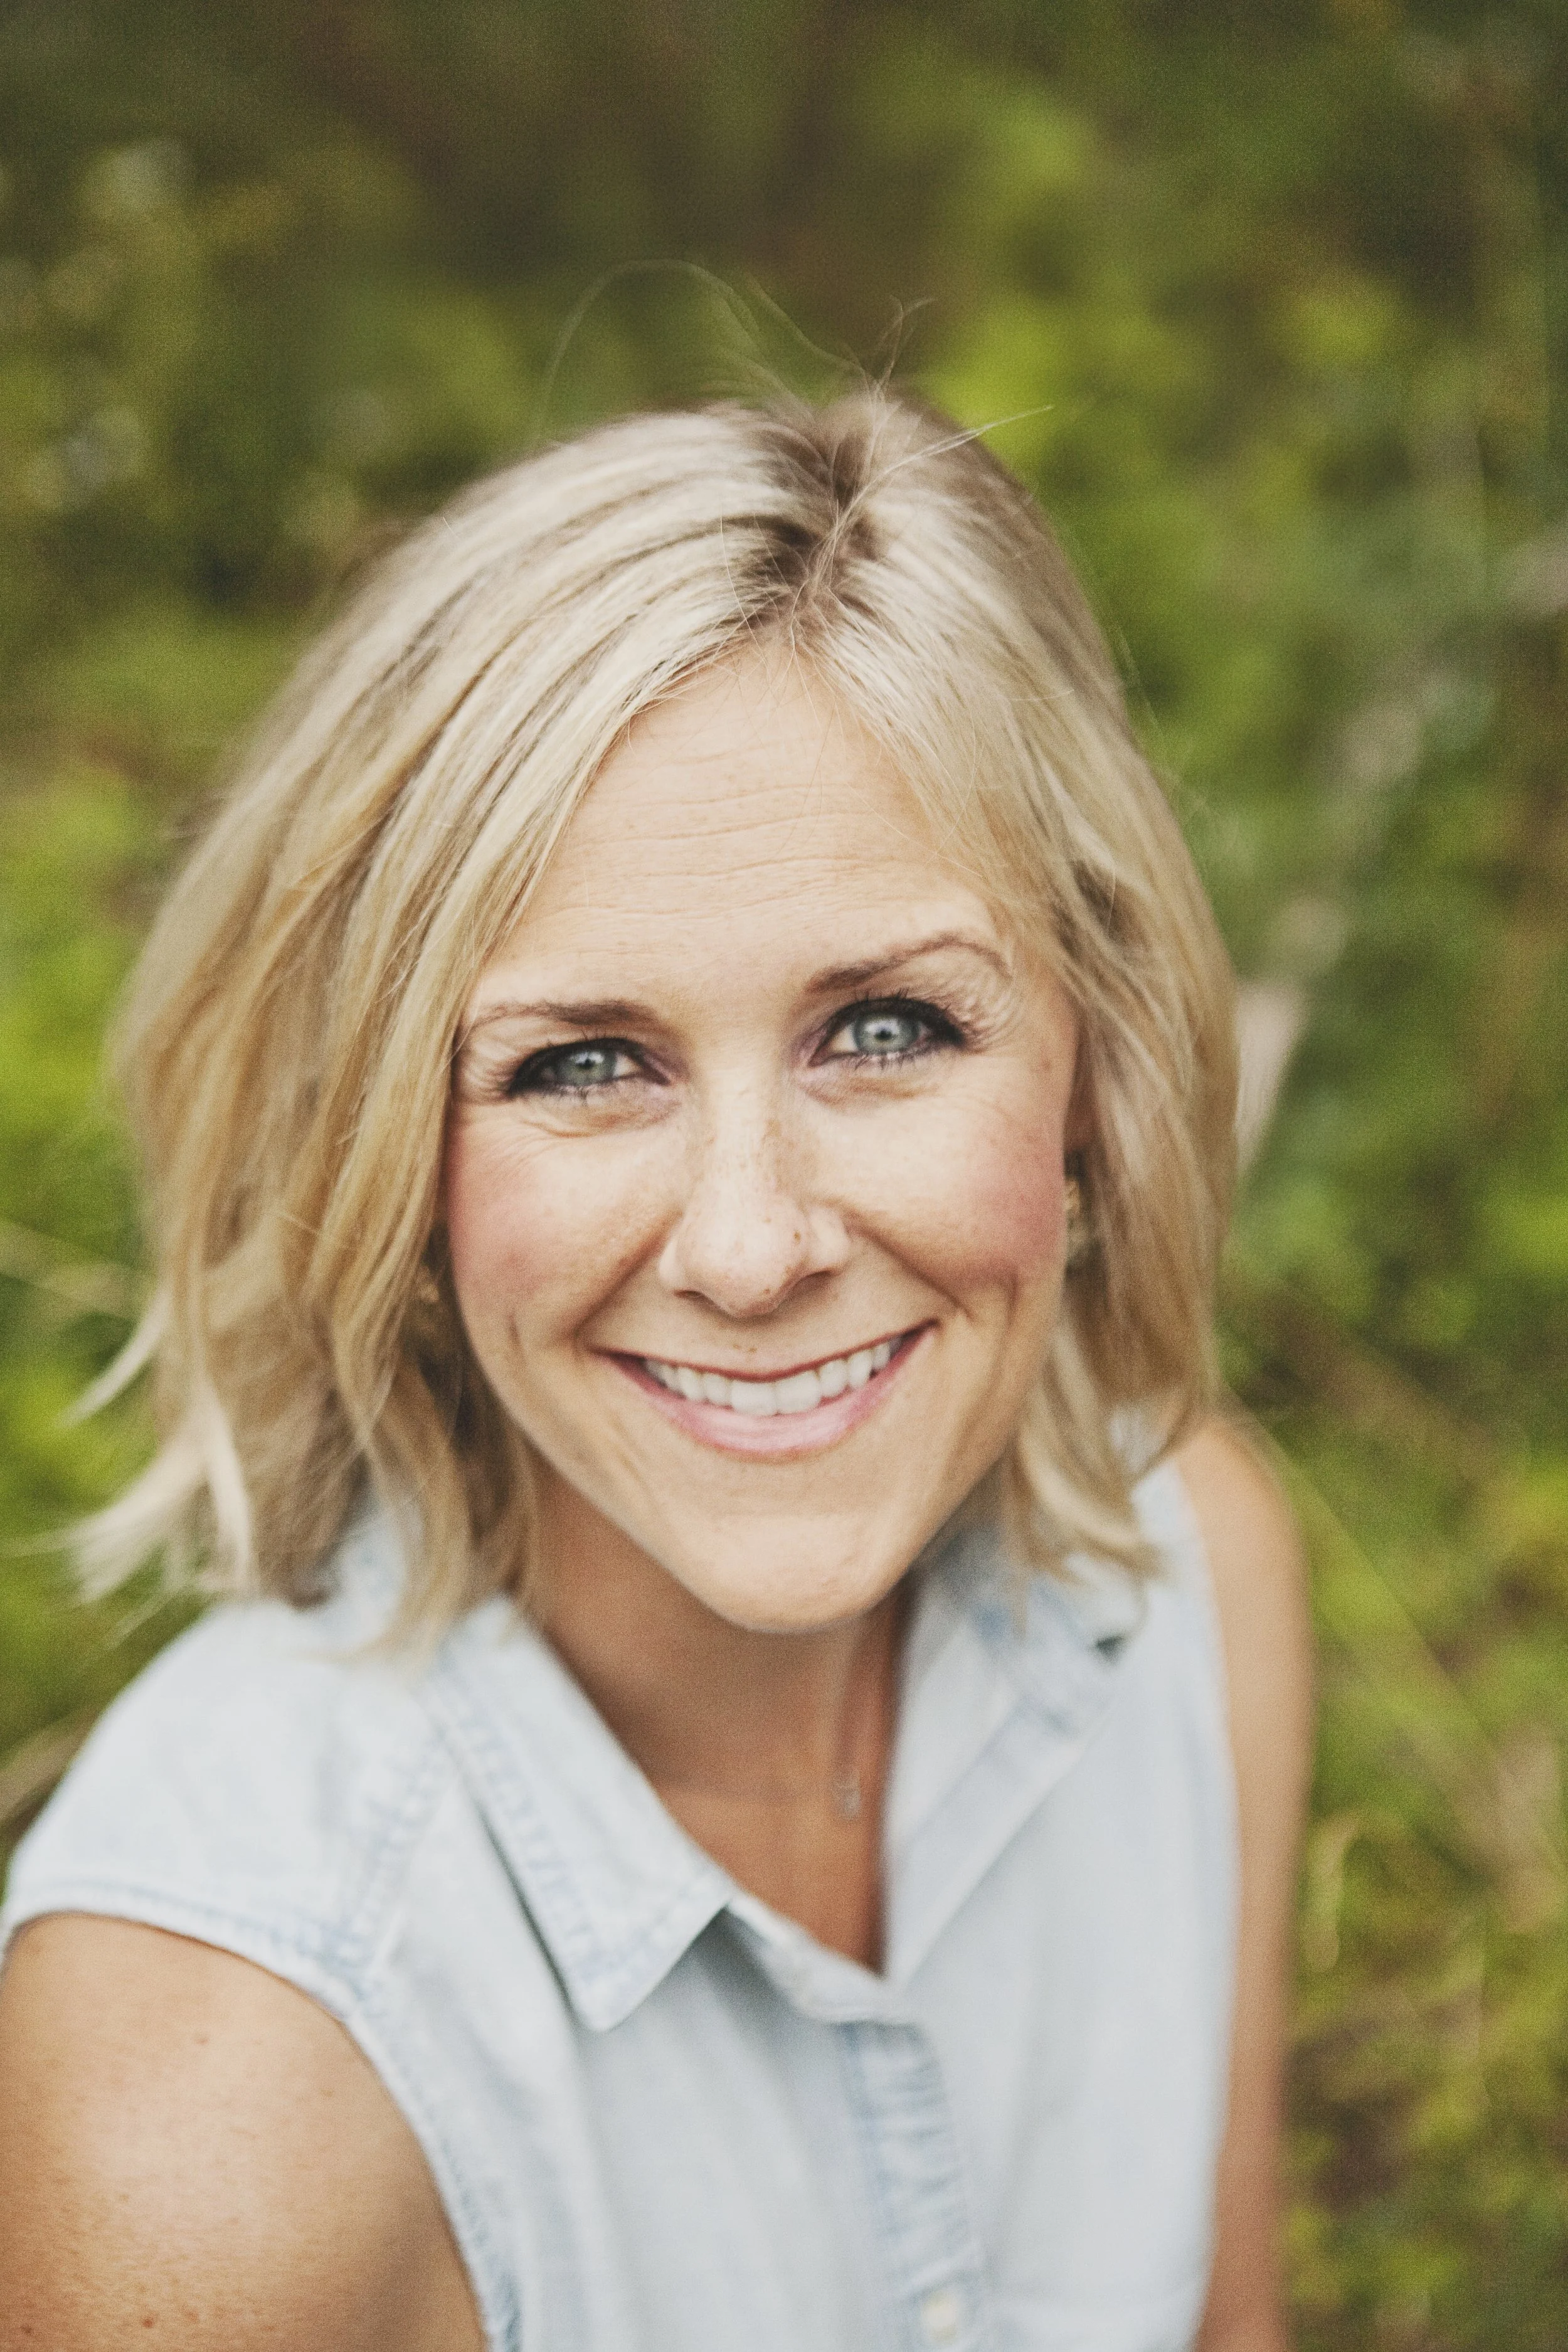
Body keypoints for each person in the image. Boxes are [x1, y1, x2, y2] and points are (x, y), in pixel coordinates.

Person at [0, 391, 1311, 2352]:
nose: (750, 1246)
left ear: (1090, 1067)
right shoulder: (217, 2096)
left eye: (885, 1026)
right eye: (582, 1064)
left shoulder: (1191, 1565)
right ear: (387, 1158)